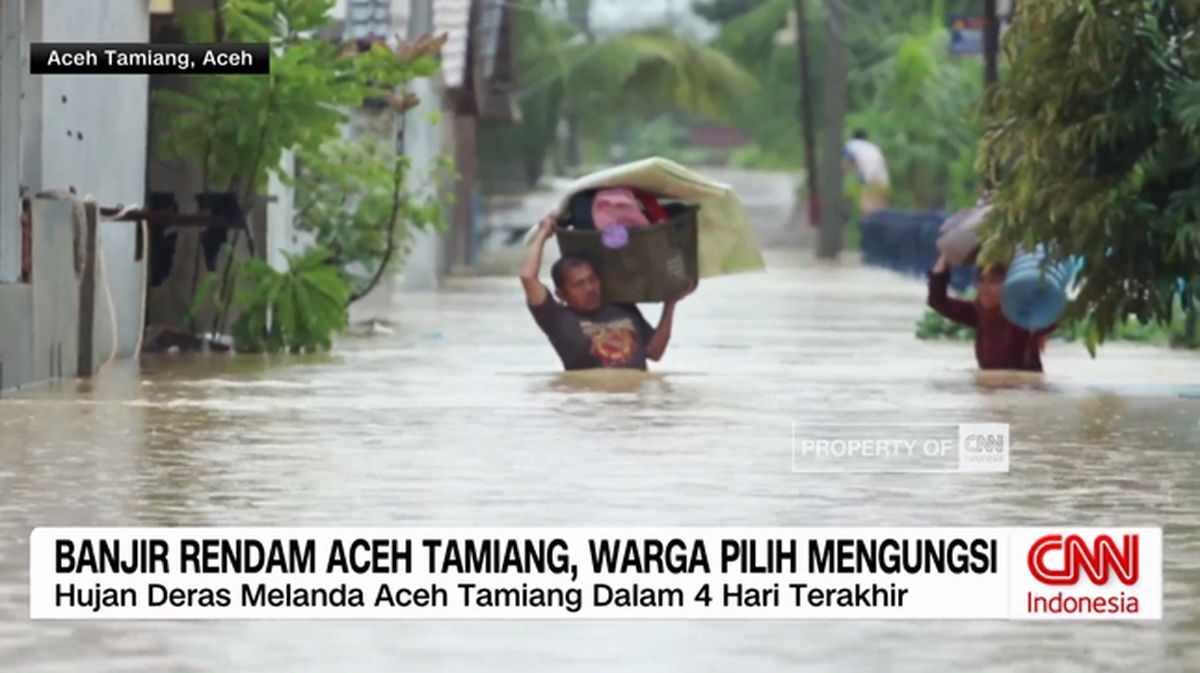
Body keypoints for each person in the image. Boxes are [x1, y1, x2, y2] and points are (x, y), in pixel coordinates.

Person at [520, 214, 695, 371]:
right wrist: (543, 233)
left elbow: (654, 352)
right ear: (562, 294)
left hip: (635, 401)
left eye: (592, 279)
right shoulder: (557, 318)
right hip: (592, 402)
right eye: (579, 284)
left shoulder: (621, 304)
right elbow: (528, 277)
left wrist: (670, 305)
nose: (589, 288)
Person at [927, 253, 1055, 372]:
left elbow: (1058, 314)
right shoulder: (978, 313)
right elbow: (937, 300)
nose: (985, 288)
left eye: (994, 282)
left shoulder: (1024, 316)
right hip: (989, 392)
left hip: (1022, 392)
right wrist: (946, 255)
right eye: (981, 280)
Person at [842, 129, 891, 214]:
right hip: (884, 182)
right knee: (881, 215)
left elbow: (845, 166)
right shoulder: (873, 147)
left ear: (852, 138)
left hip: (870, 182)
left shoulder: (851, 145)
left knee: (868, 214)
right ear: (866, 139)